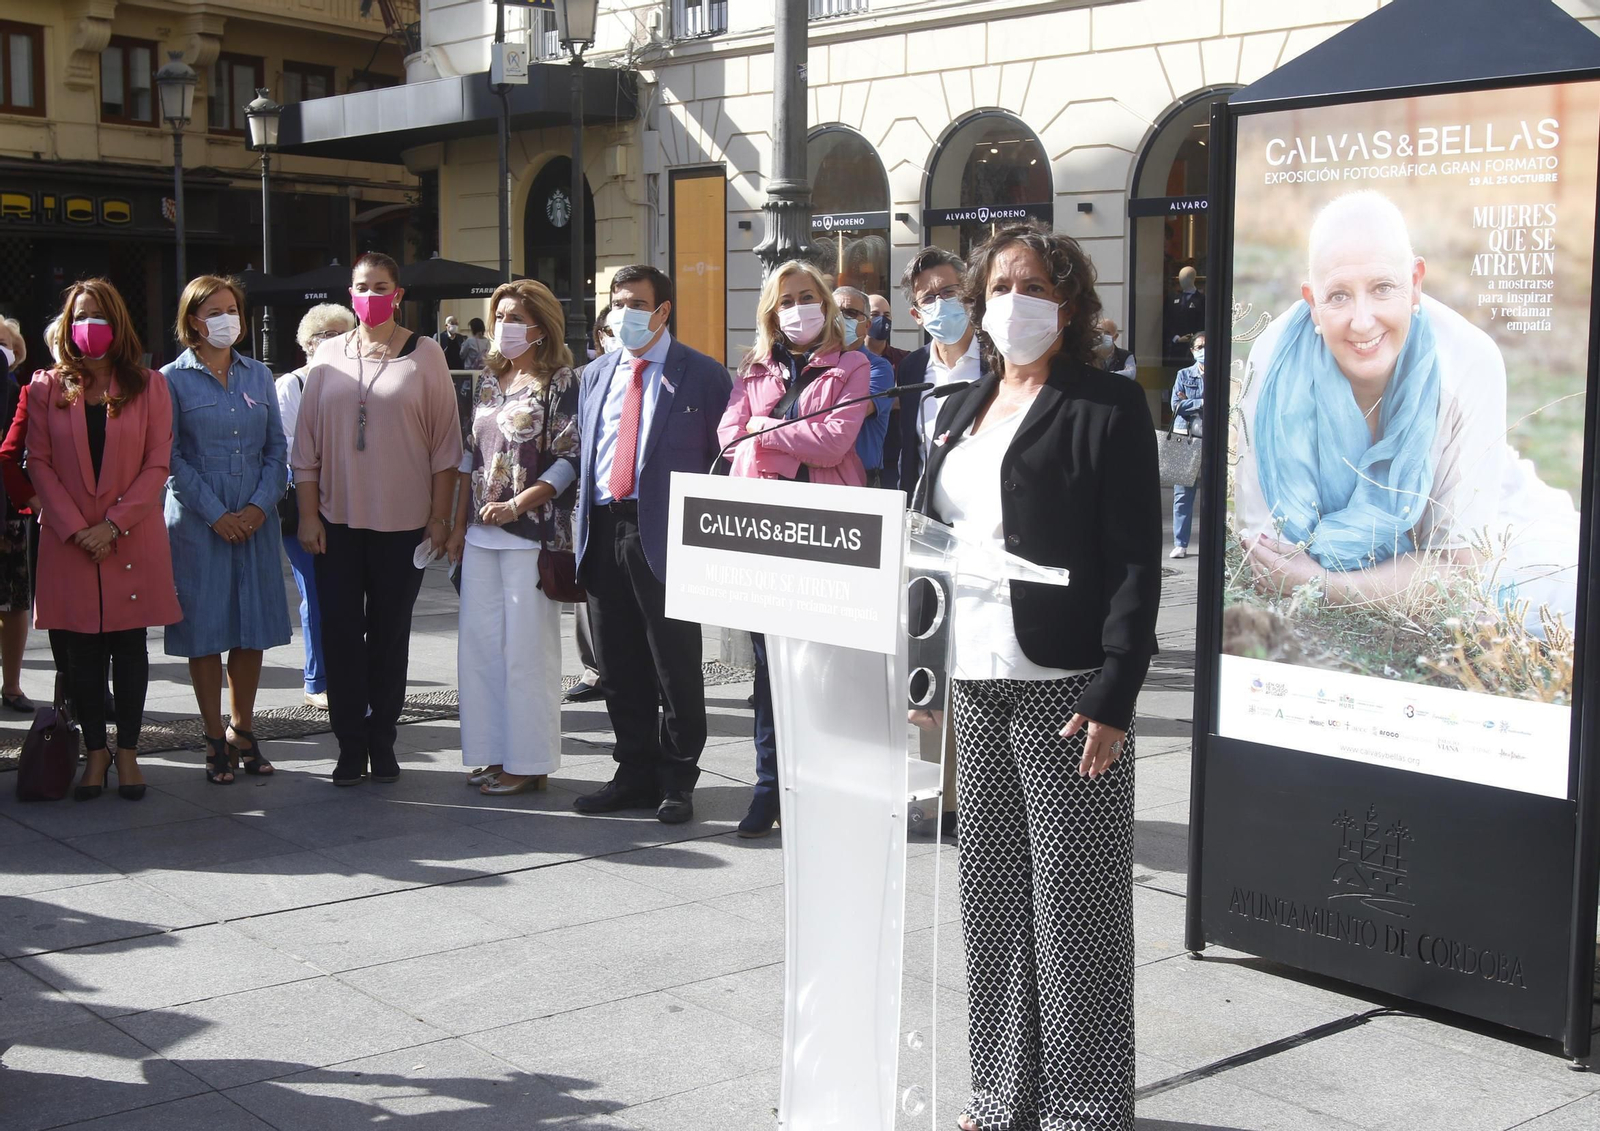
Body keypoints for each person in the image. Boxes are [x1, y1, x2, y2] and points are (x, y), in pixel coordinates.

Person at [912, 222, 1160, 1131]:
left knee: (1075, 904)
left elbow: (1137, 560)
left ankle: (1084, 1105)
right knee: (990, 898)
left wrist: (1117, 692)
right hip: (975, 676)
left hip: (1067, 683)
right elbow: (925, 546)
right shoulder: (959, 407)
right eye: (999, 285)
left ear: (1068, 302)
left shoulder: (1106, 404)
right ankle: (1001, 1091)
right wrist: (922, 670)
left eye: (1033, 284)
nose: (1012, 300)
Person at [1235, 190, 1579, 634]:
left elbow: (1461, 571)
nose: (1362, 321)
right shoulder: (1273, 363)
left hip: (1495, 506)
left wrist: (1321, 584)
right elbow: (1266, 554)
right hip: (1420, 550)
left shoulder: (1469, 361)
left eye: (1382, 288)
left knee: (1548, 594)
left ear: (1415, 282)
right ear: (1311, 301)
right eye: (1338, 296)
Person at [293, 251, 462, 787]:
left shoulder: (426, 354)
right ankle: (349, 743)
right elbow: (306, 449)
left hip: (404, 525)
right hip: (336, 523)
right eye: (361, 286)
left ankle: (384, 740)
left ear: (398, 293)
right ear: (350, 293)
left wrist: (440, 518)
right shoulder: (326, 357)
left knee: (390, 637)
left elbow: (445, 446)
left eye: (380, 285)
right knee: (341, 635)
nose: (370, 294)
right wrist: (307, 516)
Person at [717, 259, 872, 838]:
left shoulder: (853, 365)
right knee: (768, 669)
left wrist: (766, 434)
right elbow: (728, 435)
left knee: (825, 666)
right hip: (762, 527)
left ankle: (824, 789)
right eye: (786, 300)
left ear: (826, 303)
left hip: (826, 526)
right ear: (771, 311)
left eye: (807, 296)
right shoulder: (755, 367)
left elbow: (835, 444)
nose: (797, 308)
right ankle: (768, 787)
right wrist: (772, 437)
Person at [572, 265, 731, 825]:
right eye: (617, 304)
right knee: (618, 663)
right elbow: (588, 449)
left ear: (663, 310)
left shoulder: (704, 375)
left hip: (666, 530)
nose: (624, 315)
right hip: (603, 525)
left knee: (674, 664)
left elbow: (724, 460)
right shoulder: (594, 374)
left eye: (636, 304)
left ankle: (677, 778)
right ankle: (632, 771)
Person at [28, 279, 182, 802]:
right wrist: (78, 527)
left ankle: (129, 753)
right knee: (81, 654)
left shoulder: (148, 386)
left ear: (116, 325)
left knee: (129, 647)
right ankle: (95, 752)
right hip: (70, 541)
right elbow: (39, 465)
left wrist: (112, 524)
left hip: (129, 538)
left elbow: (156, 464)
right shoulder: (46, 386)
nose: (86, 325)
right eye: (78, 316)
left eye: (96, 315)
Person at [447, 280, 579, 796]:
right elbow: (468, 458)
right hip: (481, 535)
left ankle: (528, 761)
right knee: (479, 649)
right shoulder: (487, 380)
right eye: (498, 315)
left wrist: (517, 505)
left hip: (531, 534)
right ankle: (491, 753)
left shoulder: (561, 381)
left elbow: (571, 458)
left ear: (541, 325)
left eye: (515, 316)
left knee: (528, 652)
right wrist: (458, 525)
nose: (504, 325)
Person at [163, 276, 292, 783]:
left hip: (255, 518)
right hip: (199, 522)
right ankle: (213, 734)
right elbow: (168, 457)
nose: (227, 319)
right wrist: (216, 513)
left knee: (251, 627)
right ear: (194, 319)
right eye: (215, 311)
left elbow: (277, 450)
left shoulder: (259, 375)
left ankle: (243, 727)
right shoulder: (170, 379)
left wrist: (260, 507)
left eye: (232, 309)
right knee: (204, 630)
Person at [278, 304, 355, 711]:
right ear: (308, 343)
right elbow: (291, 450)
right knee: (316, 595)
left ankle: (347, 676)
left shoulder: (356, 383)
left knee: (346, 596)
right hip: (303, 506)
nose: (334, 341)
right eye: (324, 334)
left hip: (348, 505)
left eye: (342, 332)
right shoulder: (293, 385)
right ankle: (317, 679)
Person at [893, 247, 987, 497]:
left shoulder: (998, 360)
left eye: (949, 292)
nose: (941, 302)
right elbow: (911, 449)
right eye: (929, 298)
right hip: (928, 517)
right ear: (916, 315)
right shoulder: (911, 368)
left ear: (968, 297)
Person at [0, 318, 34, 711]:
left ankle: (12, 685)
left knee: (15, 602)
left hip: (11, 510)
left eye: (5, 343)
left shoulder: (19, 392)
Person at [833, 285, 895, 486]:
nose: (841, 318)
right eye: (835, 312)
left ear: (867, 325)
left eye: (850, 313)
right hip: (818, 476)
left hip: (861, 479)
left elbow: (852, 411)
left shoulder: (879, 368)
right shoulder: (812, 363)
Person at [1169, 331, 1205, 559]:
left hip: (1211, 438)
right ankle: (1180, 543)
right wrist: (1203, 401)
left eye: (1207, 346)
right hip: (1185, 437)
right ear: (1192, 351)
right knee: (1182, 494)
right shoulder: (1183, 374)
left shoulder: (1223, 373)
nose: (1204, 351)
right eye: (1199, 347)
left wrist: (1188, 402)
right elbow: (1176, 405)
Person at [1166, 263, 1205, 364]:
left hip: (1193, 348)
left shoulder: (1201, 300)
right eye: (1180, 277)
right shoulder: (1173, 298)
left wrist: (1193, 338)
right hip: (1175, 348)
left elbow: (1202, 322)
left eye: (1185, 278)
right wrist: (1176, 338)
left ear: (1192, 279)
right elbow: (1168, 321)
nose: (1181, 280)